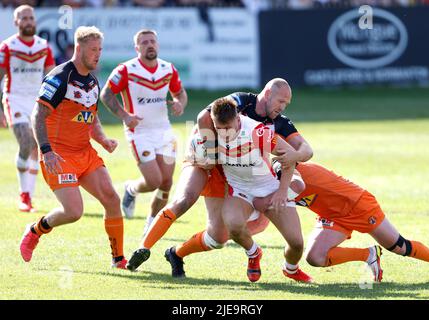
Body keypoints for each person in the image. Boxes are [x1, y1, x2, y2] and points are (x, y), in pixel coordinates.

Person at [127, 79, 314, 284]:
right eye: (281, 101)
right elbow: (203, 117)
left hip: (239, 170)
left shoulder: (267, 126)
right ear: (268, 93)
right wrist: (209, 151)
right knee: (185, 200)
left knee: (219, 236)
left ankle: (177, 253)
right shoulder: (238, 103)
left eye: (286, 104)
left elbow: (303, 150)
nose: (282, 107)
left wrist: (288, 172)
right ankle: (143, 247)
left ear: (237, 120)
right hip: (211, 159)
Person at [19, 26, 127, 269]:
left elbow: (91, 115)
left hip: (85, 153)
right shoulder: (60, 77)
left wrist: (103, 140)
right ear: (79, 49)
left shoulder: (92, 80)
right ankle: (36, 230)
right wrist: (46, 150)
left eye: (100, 49)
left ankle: (118, 259)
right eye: (93, 50)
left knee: (111, 198)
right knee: (73, 212)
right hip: (58, 154)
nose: (98, 54)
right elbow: (38, 114)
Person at [252, 161, 429, 282]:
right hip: (331, 215)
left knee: (399, 246)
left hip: (358, 205)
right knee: (315, 258)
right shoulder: (262, 181)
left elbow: (292, 180)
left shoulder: (281, 167)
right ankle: (368, 255)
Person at [100, 29, 188, 233]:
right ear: (136, 47)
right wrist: (125, 116)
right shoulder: (126, 70)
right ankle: (131, 189)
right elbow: (106, 94)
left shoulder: (168, 68)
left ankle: (151, 224)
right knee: (154, 181)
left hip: (164, 130)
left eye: (153, 41)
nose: (149, 45)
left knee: (166, 182)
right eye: (144, 42)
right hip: (139, 131)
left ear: (157, 45)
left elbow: (180, 93)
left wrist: (179, 104)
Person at [0, 5, 55, 212]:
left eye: (31, 18)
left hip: (36, 101)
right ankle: (24, 194)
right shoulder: (7, 47)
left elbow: (51, 77)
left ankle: (27, 196)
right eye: (23, 18)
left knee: (36, 148)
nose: (28, 21)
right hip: (14, 98)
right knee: (26, 142)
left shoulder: (44, 46)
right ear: (16, 22)